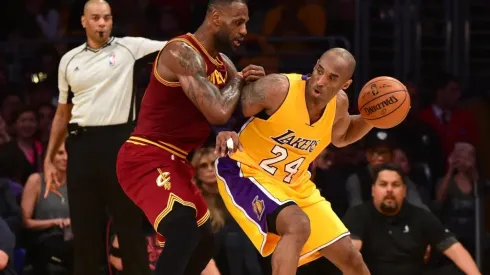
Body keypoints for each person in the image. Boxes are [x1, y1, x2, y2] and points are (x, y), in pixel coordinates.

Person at [116, 0, 265, 274]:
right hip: (145, 155)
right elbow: (219, 111)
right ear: (216, 18)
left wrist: (264, 88)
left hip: (177, 161)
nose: (244, 30)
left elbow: (233, 109)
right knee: (183, 229)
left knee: (205, 240)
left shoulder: (225, 64)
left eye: (246, 22)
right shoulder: (180, 51)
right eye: (238, 22)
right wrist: (238, 81)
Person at [214, 48, 371, 275]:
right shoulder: (278, 89)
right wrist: (224, 129)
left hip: (295, 184)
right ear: (315, 64)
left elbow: (342, 136)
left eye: (332, 78)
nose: (320, 81)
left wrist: (372, 119)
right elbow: (222, 106)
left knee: (351, 258)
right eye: (319, 71)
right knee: (297, 225)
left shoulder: (339, 105)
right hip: (245, 170)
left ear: (345, 85)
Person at [43, 1, 167, 274]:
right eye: (96, 18)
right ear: (84, 21)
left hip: (119, 143)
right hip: (81, 146)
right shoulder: (69, 59)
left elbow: (174, 46)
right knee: (84, 232)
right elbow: (63, 112)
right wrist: (50, 157)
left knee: (129, 229)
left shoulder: (129, 48)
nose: (102, 23)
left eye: (107, 18)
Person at [343, 162, 481, 275]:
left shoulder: (420, 216)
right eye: (383, 184)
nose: (389, 190)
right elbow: (351, 254)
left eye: (395, 185)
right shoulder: (358, 214)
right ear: (373, 190)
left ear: (404, 191)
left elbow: (453, 248)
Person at [21, 143, 72, 275]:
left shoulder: (77, 183)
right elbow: (25, 222)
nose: (65, 158)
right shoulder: (36, 181)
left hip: (72, 242)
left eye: (68, 153)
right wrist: (56, 222)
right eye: (60, 153)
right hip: (44, 242)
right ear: (50, 156)